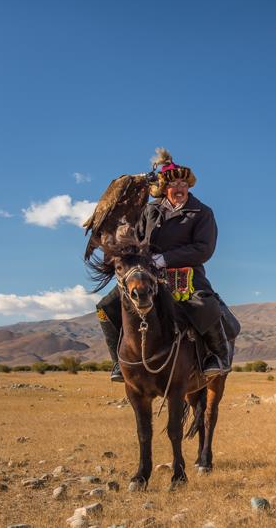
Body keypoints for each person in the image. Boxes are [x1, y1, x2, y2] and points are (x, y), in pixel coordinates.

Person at [96, 148, 238, 381]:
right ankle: (119, 363)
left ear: (189, 186)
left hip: (186, 273)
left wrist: (164, 259)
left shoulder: (202, 213)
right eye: (173, 184)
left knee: (204, 304)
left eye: (183, 183)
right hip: (147, 274)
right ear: (164, 188)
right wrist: (125, 242)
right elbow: (138, 240)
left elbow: (204, 248)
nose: (179, 188)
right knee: (105, 307)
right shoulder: (150, 210)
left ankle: (217, 356)